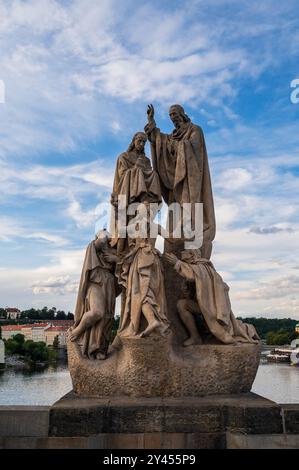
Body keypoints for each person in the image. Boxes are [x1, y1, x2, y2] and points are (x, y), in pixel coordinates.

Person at [145, 104, 215, 258]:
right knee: (175, 210)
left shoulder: (195, 130)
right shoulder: (173, 135)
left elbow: (195, 148)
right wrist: (151, 121)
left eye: (175, 114)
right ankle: (176, 239)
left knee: (189, 209)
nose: (173, 117)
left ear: (182, 114)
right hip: (176, 179)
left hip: (190, 178)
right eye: (170, 115)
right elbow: (161, 141)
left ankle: (191, 240)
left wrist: (177, 146)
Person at [164, 249, 260, 346]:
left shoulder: (202, 267)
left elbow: (192, 275)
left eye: (184, 253)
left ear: (192, 254)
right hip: (204, 305)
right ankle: (195, 337)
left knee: (182, 305)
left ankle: (198, 336)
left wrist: (177, 263)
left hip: (211, 307)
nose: (182, 254)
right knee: (182, 304)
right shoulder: (198, 267)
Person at [116, 204, 170, 338]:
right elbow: (171, 237)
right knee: (150, 291)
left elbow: (120, 231)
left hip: (141, 259)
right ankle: (154, 321)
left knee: (139, 292)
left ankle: (151, 321)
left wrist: (119, 212)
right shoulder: (156, 226)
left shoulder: (135, 225)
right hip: (154, 260)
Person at [69, 229, 120, 359]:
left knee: (107, 317)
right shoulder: (93, 247)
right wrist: (104, 235)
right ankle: (77, 331)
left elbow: (124, 266)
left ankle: (99, 349)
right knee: (98, 312)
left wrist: (116, 259)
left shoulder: (113, 251)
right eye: (103, 233)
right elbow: (100, 241)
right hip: (95, 283)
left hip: (109, 284)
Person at [110, 131, 161, 256]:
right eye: (139, 141)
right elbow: (122, 175)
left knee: (154, 174)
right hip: (128, 192)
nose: (142, 144)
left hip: (143, 189)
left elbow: (149, 172)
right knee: (137, 171)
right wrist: (136, 169)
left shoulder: (146, 160)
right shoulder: (124, 156)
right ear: (133, 141)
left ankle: (150, 198)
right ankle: (141, 196)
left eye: (144, 142)